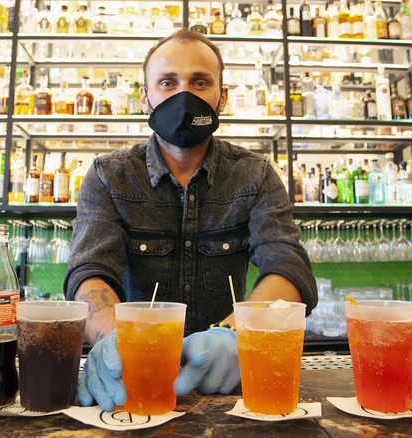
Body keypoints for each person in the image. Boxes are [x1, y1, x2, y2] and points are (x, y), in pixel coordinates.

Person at [64, 29, 317, 412]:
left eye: (200, 82)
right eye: (168, 83)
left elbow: (286, 264)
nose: (184, 96)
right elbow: (90, 271)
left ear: (222, 98)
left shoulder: (257, 175)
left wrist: (236, 335)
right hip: (136, 379)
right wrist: (115, 340)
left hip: (232, 387)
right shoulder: (107, 176)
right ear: (146, 98)